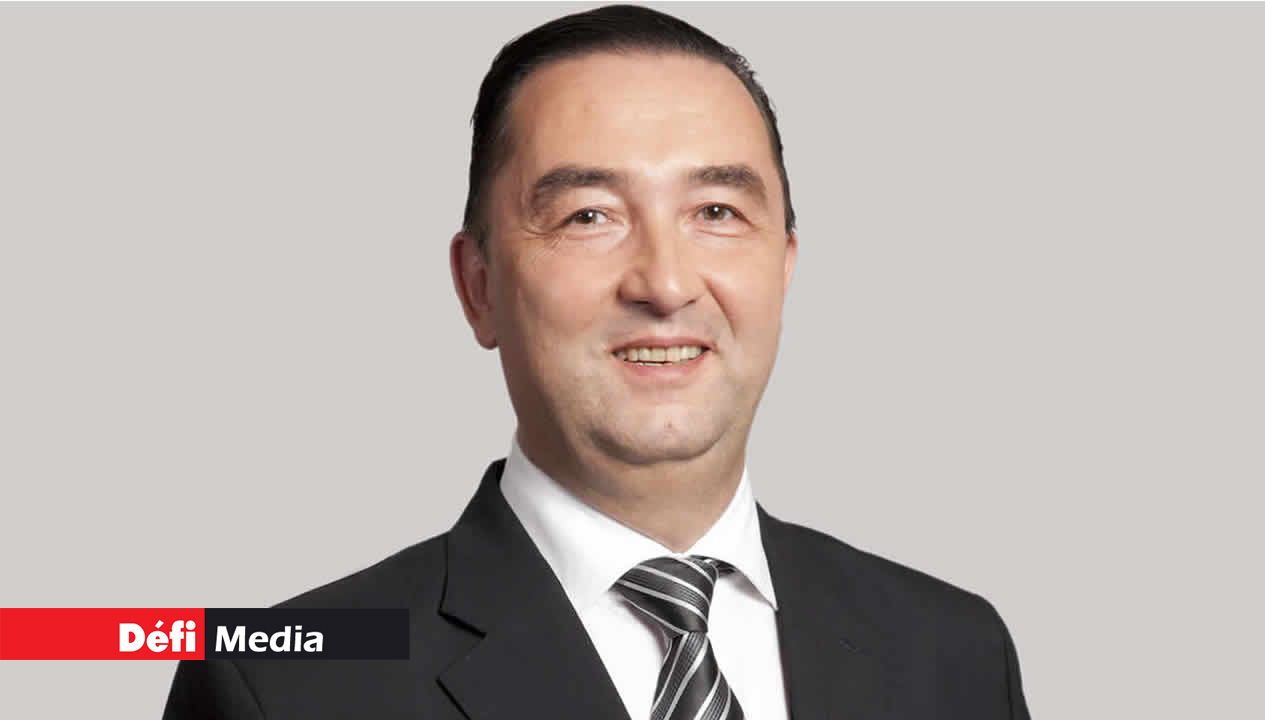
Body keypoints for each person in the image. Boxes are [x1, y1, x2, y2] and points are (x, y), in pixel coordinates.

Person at [164, 5, 1032, 719]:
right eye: (588, 216)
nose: (665, 283)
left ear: (784, 267)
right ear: (478, 287)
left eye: (718, 212)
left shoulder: (952, 654)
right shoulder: (286, 686)